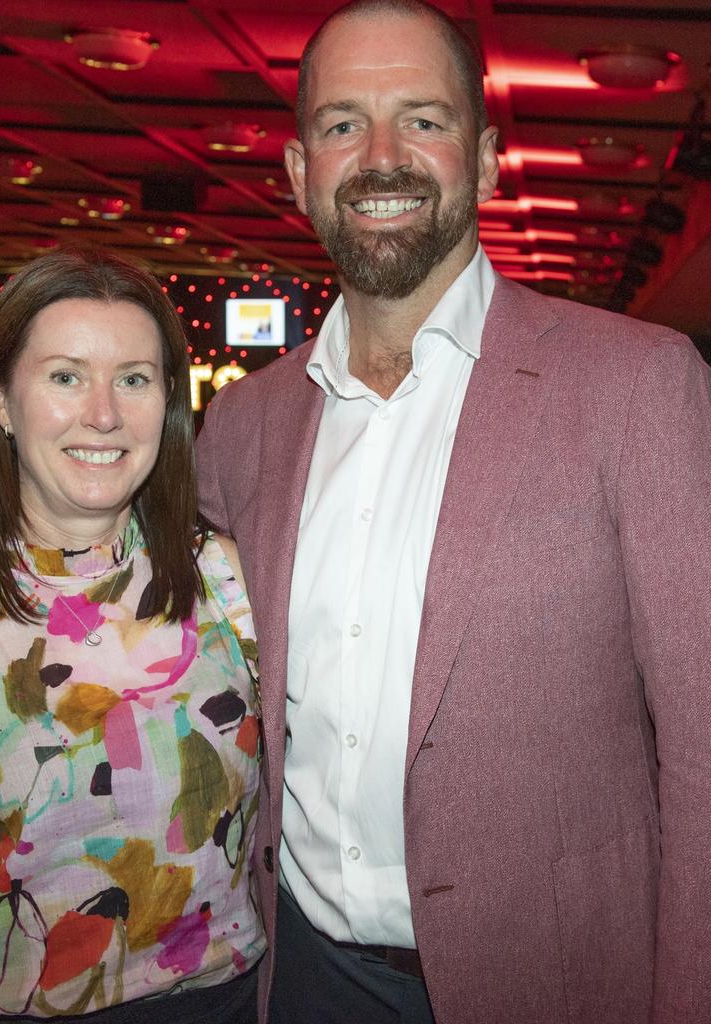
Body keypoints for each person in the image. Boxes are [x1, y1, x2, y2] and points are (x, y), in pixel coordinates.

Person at [195, 1, 711, 1021]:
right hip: (298, 975)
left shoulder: (639, 386)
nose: (381, 156)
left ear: (481, 161)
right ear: (300, 174)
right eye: (343, 125)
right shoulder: (243, 426)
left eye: (421, 120)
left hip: (553, 980)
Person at [0, 248, 265, 1023]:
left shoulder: (224, 580)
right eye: (64, 377)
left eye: (133, 378)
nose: (104, 414)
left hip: (229, 1003)